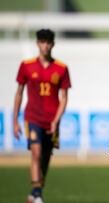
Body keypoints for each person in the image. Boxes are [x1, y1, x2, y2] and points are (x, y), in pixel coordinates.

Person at [13, 29, 71, 203]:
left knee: (46, 156)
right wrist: (14, 120)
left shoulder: (61, 68)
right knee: (36, 152)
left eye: (48, 42)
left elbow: (64, 98)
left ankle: (35, 191)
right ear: (37, 43)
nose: (45, 45)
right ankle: (37, 193)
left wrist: (56, 120)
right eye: (42, 41)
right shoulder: (26, 65)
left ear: (53, 44)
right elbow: (19, 93)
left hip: (52, 121)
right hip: (33, 117)